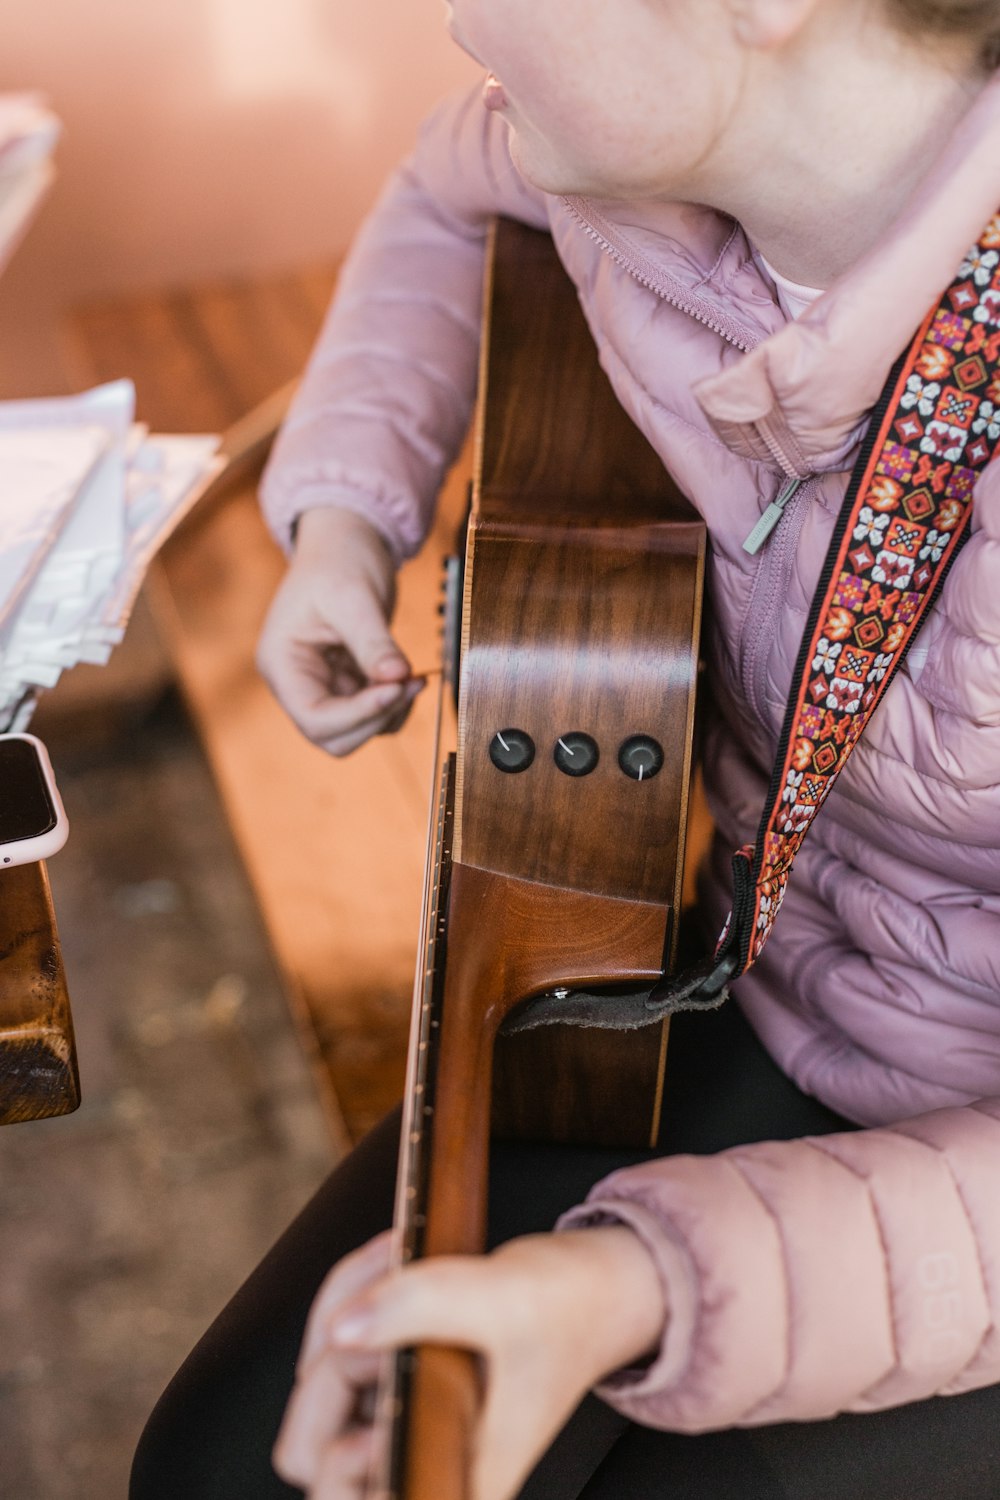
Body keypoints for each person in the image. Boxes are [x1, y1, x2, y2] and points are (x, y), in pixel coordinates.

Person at [130, 2, 1000, 1497]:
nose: (457, 13)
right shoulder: (643, 170)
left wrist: (629, 1291)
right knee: (220, 1474)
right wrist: (344, 515)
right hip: (763, 970)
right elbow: (436, 190)